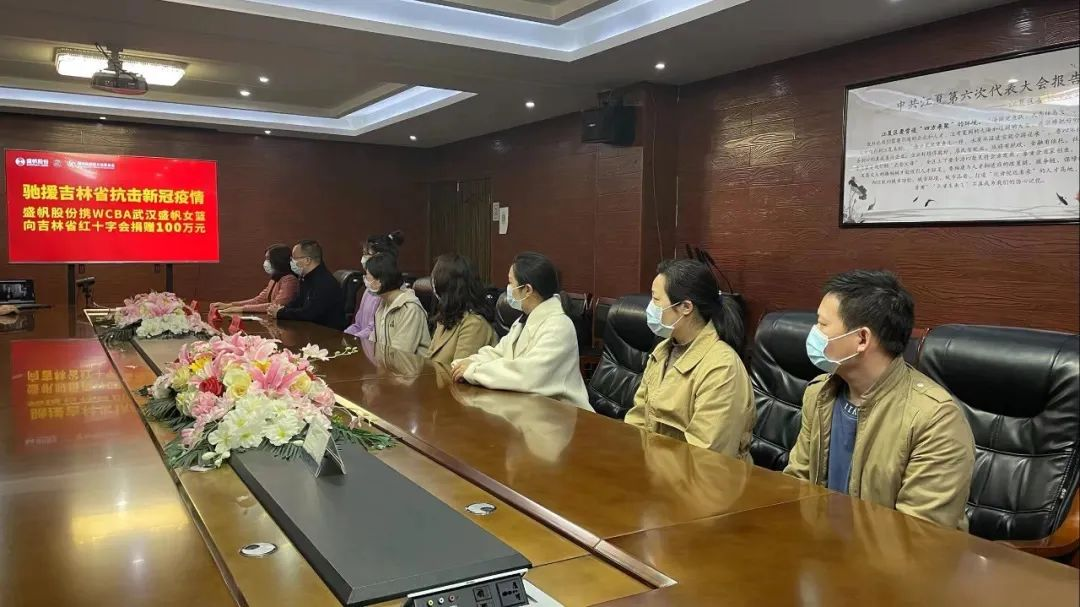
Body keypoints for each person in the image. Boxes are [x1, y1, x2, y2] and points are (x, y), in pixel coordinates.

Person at [783, 270, 975, 530]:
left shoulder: (936, 420)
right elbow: (797, 484)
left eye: (822, 324)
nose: (813, 333)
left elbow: (920, 534)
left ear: (862, 339)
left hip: (890, 554)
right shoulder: (819, 393)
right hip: (819, 545)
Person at [623, 259, 755, 461]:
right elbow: (639, 418)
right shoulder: (663, 350)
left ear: (685, 307)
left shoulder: (722, 368)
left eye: (656, 300)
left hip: (700, 476)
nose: (650, 308)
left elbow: (706, 457)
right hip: (657, 468)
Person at [451, 252, 591, 410]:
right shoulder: (523, 321)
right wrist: (467, 362)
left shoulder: (559, 326)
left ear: (527, 290)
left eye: (511, 283)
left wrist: (474, 371)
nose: (508, 289)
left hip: (560, 413)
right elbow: (499, 353)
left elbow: (528, 374)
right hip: (529, 407)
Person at [428, 254, 497, 366]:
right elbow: (429, 359)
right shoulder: (446, 318)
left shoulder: (474, 324)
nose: (433, 285)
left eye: (436, 280)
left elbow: (459, 371)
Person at [267, 240, 345, 330]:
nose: (291, 262)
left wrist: (280, 313)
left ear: (307, 260)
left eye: (294, 258)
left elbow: (309, 313)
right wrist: (281, 309)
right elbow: (298, 301)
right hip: (309, 329)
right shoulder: (307, 277)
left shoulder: (323, 281)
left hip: (326, 333)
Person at [365, 252, 431, 356]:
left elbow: (400, 354)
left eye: (368, 277)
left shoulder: (410, 309)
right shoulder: (383, 304)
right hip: (387, 364)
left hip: (411, 365)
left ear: (380, 281)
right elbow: (373, 345)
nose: (365, 281)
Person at [345, 230, 405, 339]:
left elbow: (375, 329)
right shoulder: (370, 287)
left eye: (367, 254)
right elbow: (358, 324)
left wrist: (354, 339)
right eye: (363, 254)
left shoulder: (390, 292)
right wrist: (344, 336)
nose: (363, 258)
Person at [210, 244, 298, 314]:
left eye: (268, 259)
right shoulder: (275, 278)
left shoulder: (290, 280)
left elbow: (276, 306)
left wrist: (241, 309)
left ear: (278, 260)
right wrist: (229, 305)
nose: (266, 262)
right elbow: (259, 300)